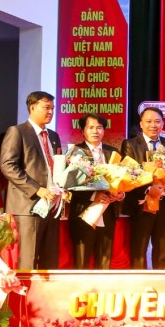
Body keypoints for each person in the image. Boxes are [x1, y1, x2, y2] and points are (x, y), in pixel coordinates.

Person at [0, 91, 63, 270]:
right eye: (46, 107)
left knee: (50, 260)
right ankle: (26, 290)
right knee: (29, 259)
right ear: (33, 108)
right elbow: (8, 165)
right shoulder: (17, 131)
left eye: (53, 108)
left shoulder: (53, 136)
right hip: (28, 206)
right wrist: (37, 189)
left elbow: (56, 166)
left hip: (51, 205)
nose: (50, 112)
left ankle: (46, 290)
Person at [121, 107, 165, 269]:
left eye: (157, 121)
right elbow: (129, 173)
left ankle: (162, 281)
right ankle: (139, 282)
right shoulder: (130, 144)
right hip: (141, 204)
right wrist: (148, 189)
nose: (153, 125)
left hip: (164, 205)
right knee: (139, 249)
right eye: (149, 121)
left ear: (163, 124)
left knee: (162, 250)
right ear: (141, 124)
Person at [67, 113, 123, 269]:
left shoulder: (113, 152)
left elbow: (122, 178)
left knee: (105, 259)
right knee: (82, 260)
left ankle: (103, 285)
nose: (95, 131)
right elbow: (69, 184)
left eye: (99, 127)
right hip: (83, 213)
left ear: (104, 130)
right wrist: (94, 195)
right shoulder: (75, 152)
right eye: (90, 127)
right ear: (82, 131)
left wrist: (120, 194)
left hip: (108, 211)